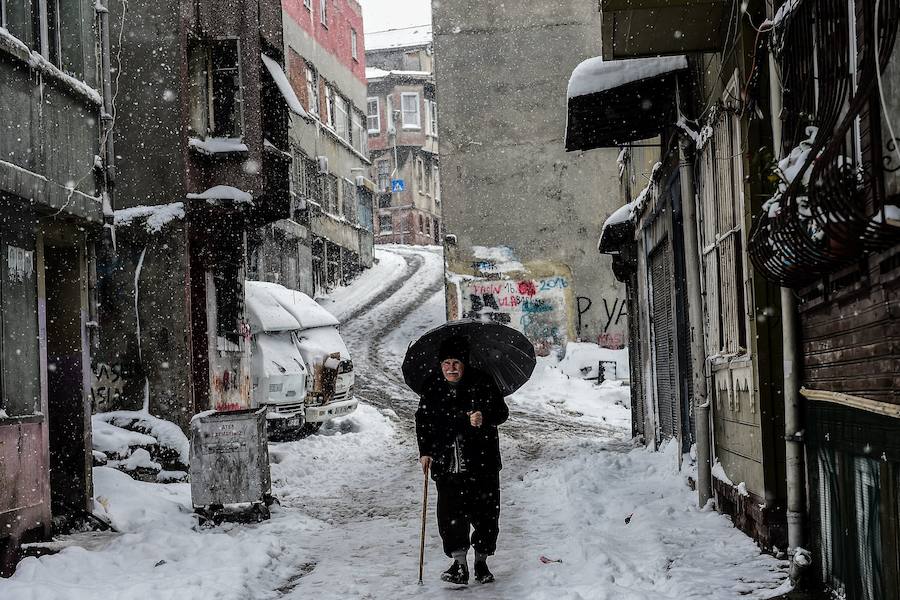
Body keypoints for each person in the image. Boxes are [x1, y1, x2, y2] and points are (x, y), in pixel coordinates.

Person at [415, 336, 509, 585]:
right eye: (446, 362)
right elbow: (423, 421)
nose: (451, 368)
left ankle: (481, 562)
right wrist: (425, 451)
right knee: (450, 515)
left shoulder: (482, 382)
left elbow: (502, 412)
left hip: (482, 464)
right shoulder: (432, 386)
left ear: (464, 363)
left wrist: (484, 416)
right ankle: (459, 564)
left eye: (456, 362)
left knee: (485, 514)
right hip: (447, 465)